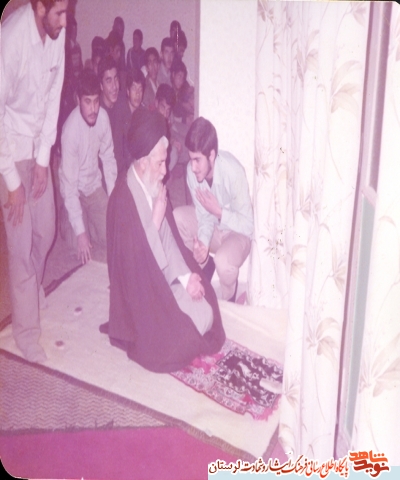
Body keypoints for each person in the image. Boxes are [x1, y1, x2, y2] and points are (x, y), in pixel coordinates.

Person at [104, 109, 225, 372]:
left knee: (207, 312)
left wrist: (186, 279)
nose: (165, 171)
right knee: (178, 342)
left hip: (165, 279)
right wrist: (155, 222)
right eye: (160, 163)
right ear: (143, 162)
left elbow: (169, 242)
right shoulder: (122, 199)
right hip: (140, 295)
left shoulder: (154, 183)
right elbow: (131, 269)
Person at [0, 0, 68, 363]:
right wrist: (13, 182)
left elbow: (54, 95)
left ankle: (30, 294)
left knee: (47, 229)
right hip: (10, 150)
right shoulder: (10, 41)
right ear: (40, 8)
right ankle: (26, 333)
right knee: (21, 243)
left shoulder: (57, 31)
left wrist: (43, 160)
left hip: (38, 148)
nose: (66, 20)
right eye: (60, 12)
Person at [173, 117, 254, 302]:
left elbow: (248, 226)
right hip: (214, 229)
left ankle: (228, 299)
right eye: (191, 159)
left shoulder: (234, 172)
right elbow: (204, 217)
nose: (193, 167)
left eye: (197, 160)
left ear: (211, 155)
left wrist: (219, 212)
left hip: (237, 233)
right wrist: (202, 244)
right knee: (177, 217)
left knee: (223, 261)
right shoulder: (192, 172)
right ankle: (204, 266)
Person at [59, 69, 117, 265]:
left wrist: (112, 199)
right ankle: (68, 218)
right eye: (87, 102)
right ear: (78, 100)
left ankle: (90, 222)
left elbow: (108, 158)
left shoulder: (103, 118)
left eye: (96, 101)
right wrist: (80, 233)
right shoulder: (70, 131)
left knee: (116, 235)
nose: (93, 109)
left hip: (94, 188)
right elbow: (69, 186)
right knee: (78, 248)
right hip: (74, 190)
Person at [111, 67, 146, 174]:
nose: (138, 94)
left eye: (140, 89)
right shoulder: (120, 109)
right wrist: (123, 173)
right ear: (127, 91)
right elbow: (117, 147)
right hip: (119, 163)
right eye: (134, 89)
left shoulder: (142, 111)